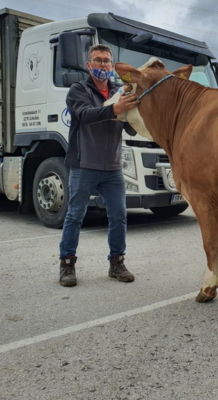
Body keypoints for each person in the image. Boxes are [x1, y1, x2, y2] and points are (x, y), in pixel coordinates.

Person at [59, 44, 140, 287]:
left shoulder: (120, 92)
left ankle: (116, 262)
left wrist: (138, 112)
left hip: (113, 167)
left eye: (106, 61)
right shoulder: (78, 90)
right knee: (75, 215)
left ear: (111, 65)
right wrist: (115, 109)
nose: (102, 65)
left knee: (119, 216)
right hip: (85, 164)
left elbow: (131, 127)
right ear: (88, 65)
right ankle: (67, 264)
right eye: (98, 60)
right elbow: (85, 114)